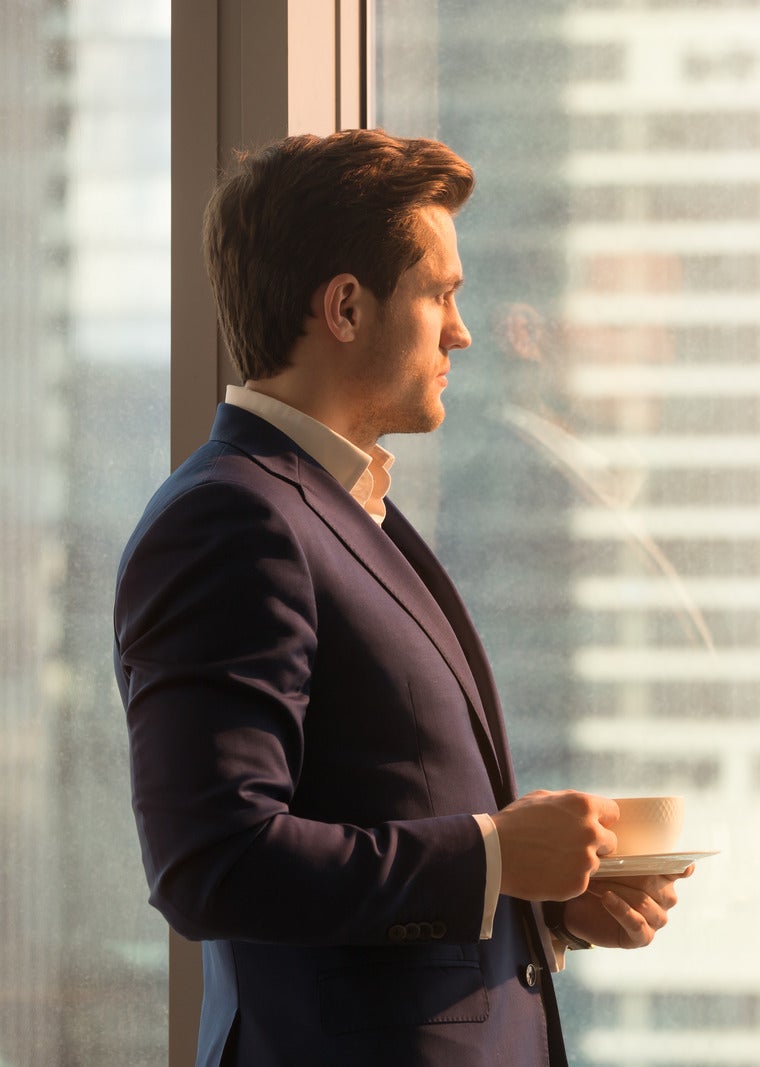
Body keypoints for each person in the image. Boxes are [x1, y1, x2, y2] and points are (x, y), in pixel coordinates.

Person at [111, 129, 690, 1066]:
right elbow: (212, 862)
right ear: (345, 306)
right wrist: (494, 854)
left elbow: (372, 819)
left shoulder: (347, 510)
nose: (461, 329)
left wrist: (535, 896)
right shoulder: (230, 520)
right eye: (441, 294)